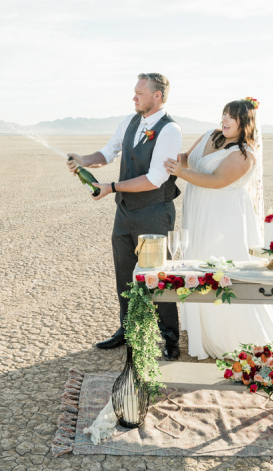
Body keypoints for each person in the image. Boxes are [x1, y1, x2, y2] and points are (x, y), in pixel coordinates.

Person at [66, 73, 184, 360]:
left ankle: (169, 337)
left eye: (139, 93)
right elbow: (108, 153)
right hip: (125, 213)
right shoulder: (130, 123)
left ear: (157, 96)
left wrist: (112, 187)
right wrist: (84, 160)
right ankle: (127, 330)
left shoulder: (170, 131)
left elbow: (156, 178)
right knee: (125, 275)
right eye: (134, 92)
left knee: (159, 276)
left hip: (155, 213)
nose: (134, 97)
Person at [163, 98, 273, 360]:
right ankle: (200, 329)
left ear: (246, 123)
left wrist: (180, 173)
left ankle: (227, 334)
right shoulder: (210, 135)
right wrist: (174, 160)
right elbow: (187, 158)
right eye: (224, 115)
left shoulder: (245, 154)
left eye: (232, 117)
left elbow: (217, 180)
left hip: (224, 218)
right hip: (198, 210)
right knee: (196, 260)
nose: (225, 120)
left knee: (218, 266)